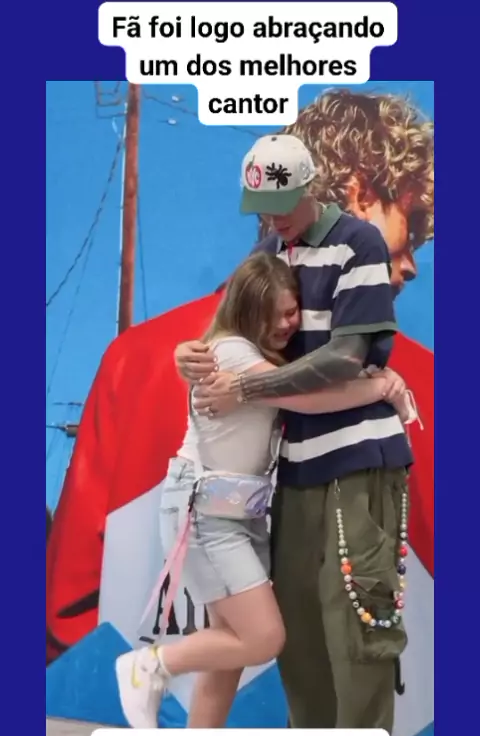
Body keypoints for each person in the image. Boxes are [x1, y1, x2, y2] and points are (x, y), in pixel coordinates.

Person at [46, 87, 433, 674]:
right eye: (414, 221)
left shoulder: (134, 360)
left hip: (167, 708)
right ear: (359, 193)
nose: (411, 263)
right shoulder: (424, 381)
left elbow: (68, 621)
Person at [174, 132, 414, 734]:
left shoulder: (358, 243)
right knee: (299, 635)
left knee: (357, 626)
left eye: (281, 204)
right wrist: (189, 355)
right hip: (294, 468)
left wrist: (247, 389)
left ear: (312, 188)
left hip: (357, 460)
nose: (273, 219)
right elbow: (229, 332)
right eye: (262, 208)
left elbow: (345, 357)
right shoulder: (270, 250)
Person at [114, 250, 409, 729]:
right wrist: (380, 388)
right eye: (274, 316)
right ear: (248, 313)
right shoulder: (231, 354)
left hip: (238, 510)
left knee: (228, 648)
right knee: (263, 638)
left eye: (292, 311)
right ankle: (148, 666)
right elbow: (309, 397)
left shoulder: (255, 356)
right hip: (208, 511)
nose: (287, 324)